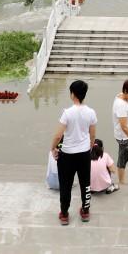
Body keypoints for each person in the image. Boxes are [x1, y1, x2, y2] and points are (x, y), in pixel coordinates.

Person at [50, 79, 98, 225]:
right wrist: (88, 148)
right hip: (83, 154)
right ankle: (85, 211)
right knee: (85, 183)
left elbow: (58, 136)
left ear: (72, 94)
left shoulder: (67, 113)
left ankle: (64, 214)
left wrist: (53, 148)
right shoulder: (91, 112)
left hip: (67, 155)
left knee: (66, 184)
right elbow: (93, 135)